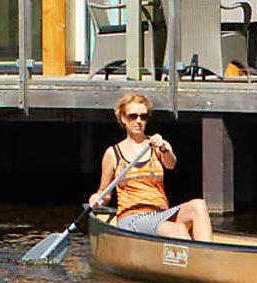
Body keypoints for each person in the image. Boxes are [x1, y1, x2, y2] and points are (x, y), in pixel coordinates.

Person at [89, 92, 213, 240]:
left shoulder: (157, 145)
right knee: (178, 230)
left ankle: (207, 254)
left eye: (143, 116)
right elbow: (104, 192)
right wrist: (97, 199)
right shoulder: (112, 153)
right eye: (133, 116)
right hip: (132, 217)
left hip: (160, 213)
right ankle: (195, 257)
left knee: (199, 205)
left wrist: (164, 149)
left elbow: (171, 164)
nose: (138, 121)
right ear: (123, 118)